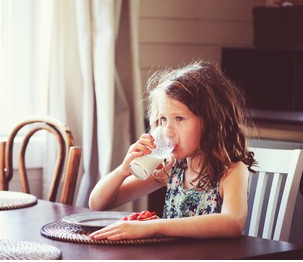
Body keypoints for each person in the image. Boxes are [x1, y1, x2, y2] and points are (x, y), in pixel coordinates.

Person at [88, 60, 256, 240]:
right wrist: (123, 170)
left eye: (179, 119)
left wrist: (155, 226)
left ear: (211, 121)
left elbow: (232, 223)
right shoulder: (172, 169)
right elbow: (98, 203)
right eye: (162, 119)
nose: (167, 131)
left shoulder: (231, 171)